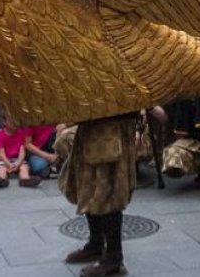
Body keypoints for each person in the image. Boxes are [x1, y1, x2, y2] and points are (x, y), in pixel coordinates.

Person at [60, 113, 138, 277]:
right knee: (88, 189)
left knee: (108, 193)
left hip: (112, 130)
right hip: (91, 126)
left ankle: (114, 259)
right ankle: (96, 244)